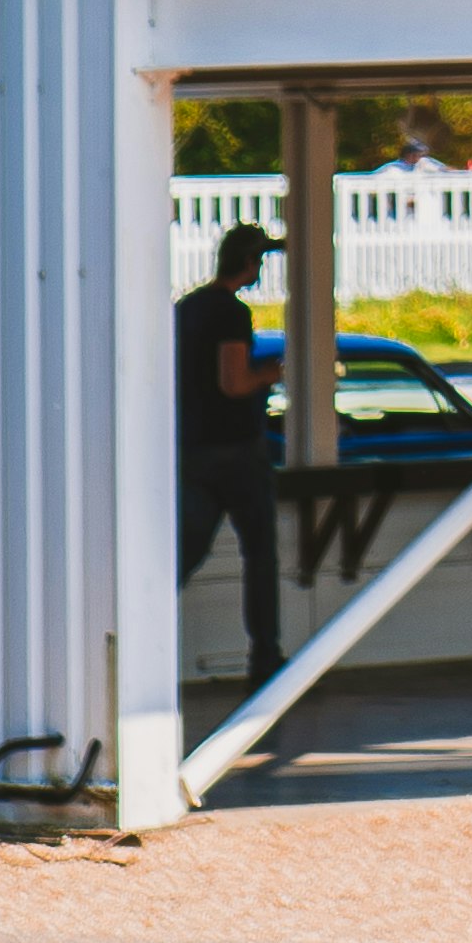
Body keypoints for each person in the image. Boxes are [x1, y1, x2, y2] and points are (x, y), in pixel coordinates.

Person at [175, 219, 283, 687]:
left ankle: (141, 633)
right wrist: (271, 373)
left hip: (192, 448)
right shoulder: (231, 313)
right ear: (248, 263)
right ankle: (265, 655)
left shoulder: (188, 308)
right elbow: (233, 380)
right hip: (236, 452)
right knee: (260, 553)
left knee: (184, 553)